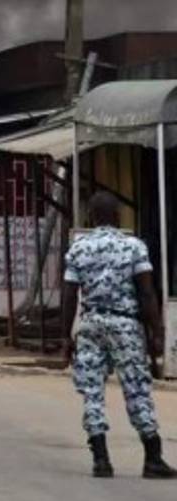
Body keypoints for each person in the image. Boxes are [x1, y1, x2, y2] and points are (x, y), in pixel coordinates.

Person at [62, 190, 176, 479]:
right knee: (136, 388)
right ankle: (152, 457)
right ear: (117, 217)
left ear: (90, 217)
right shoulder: (134, 247)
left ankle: (101, 459)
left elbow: (69, 295)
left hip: (90, 325)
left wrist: (66, 335)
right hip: (125, 326)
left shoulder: (78, 248)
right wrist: (157, 332)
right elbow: (146, 292)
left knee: (92, 392)